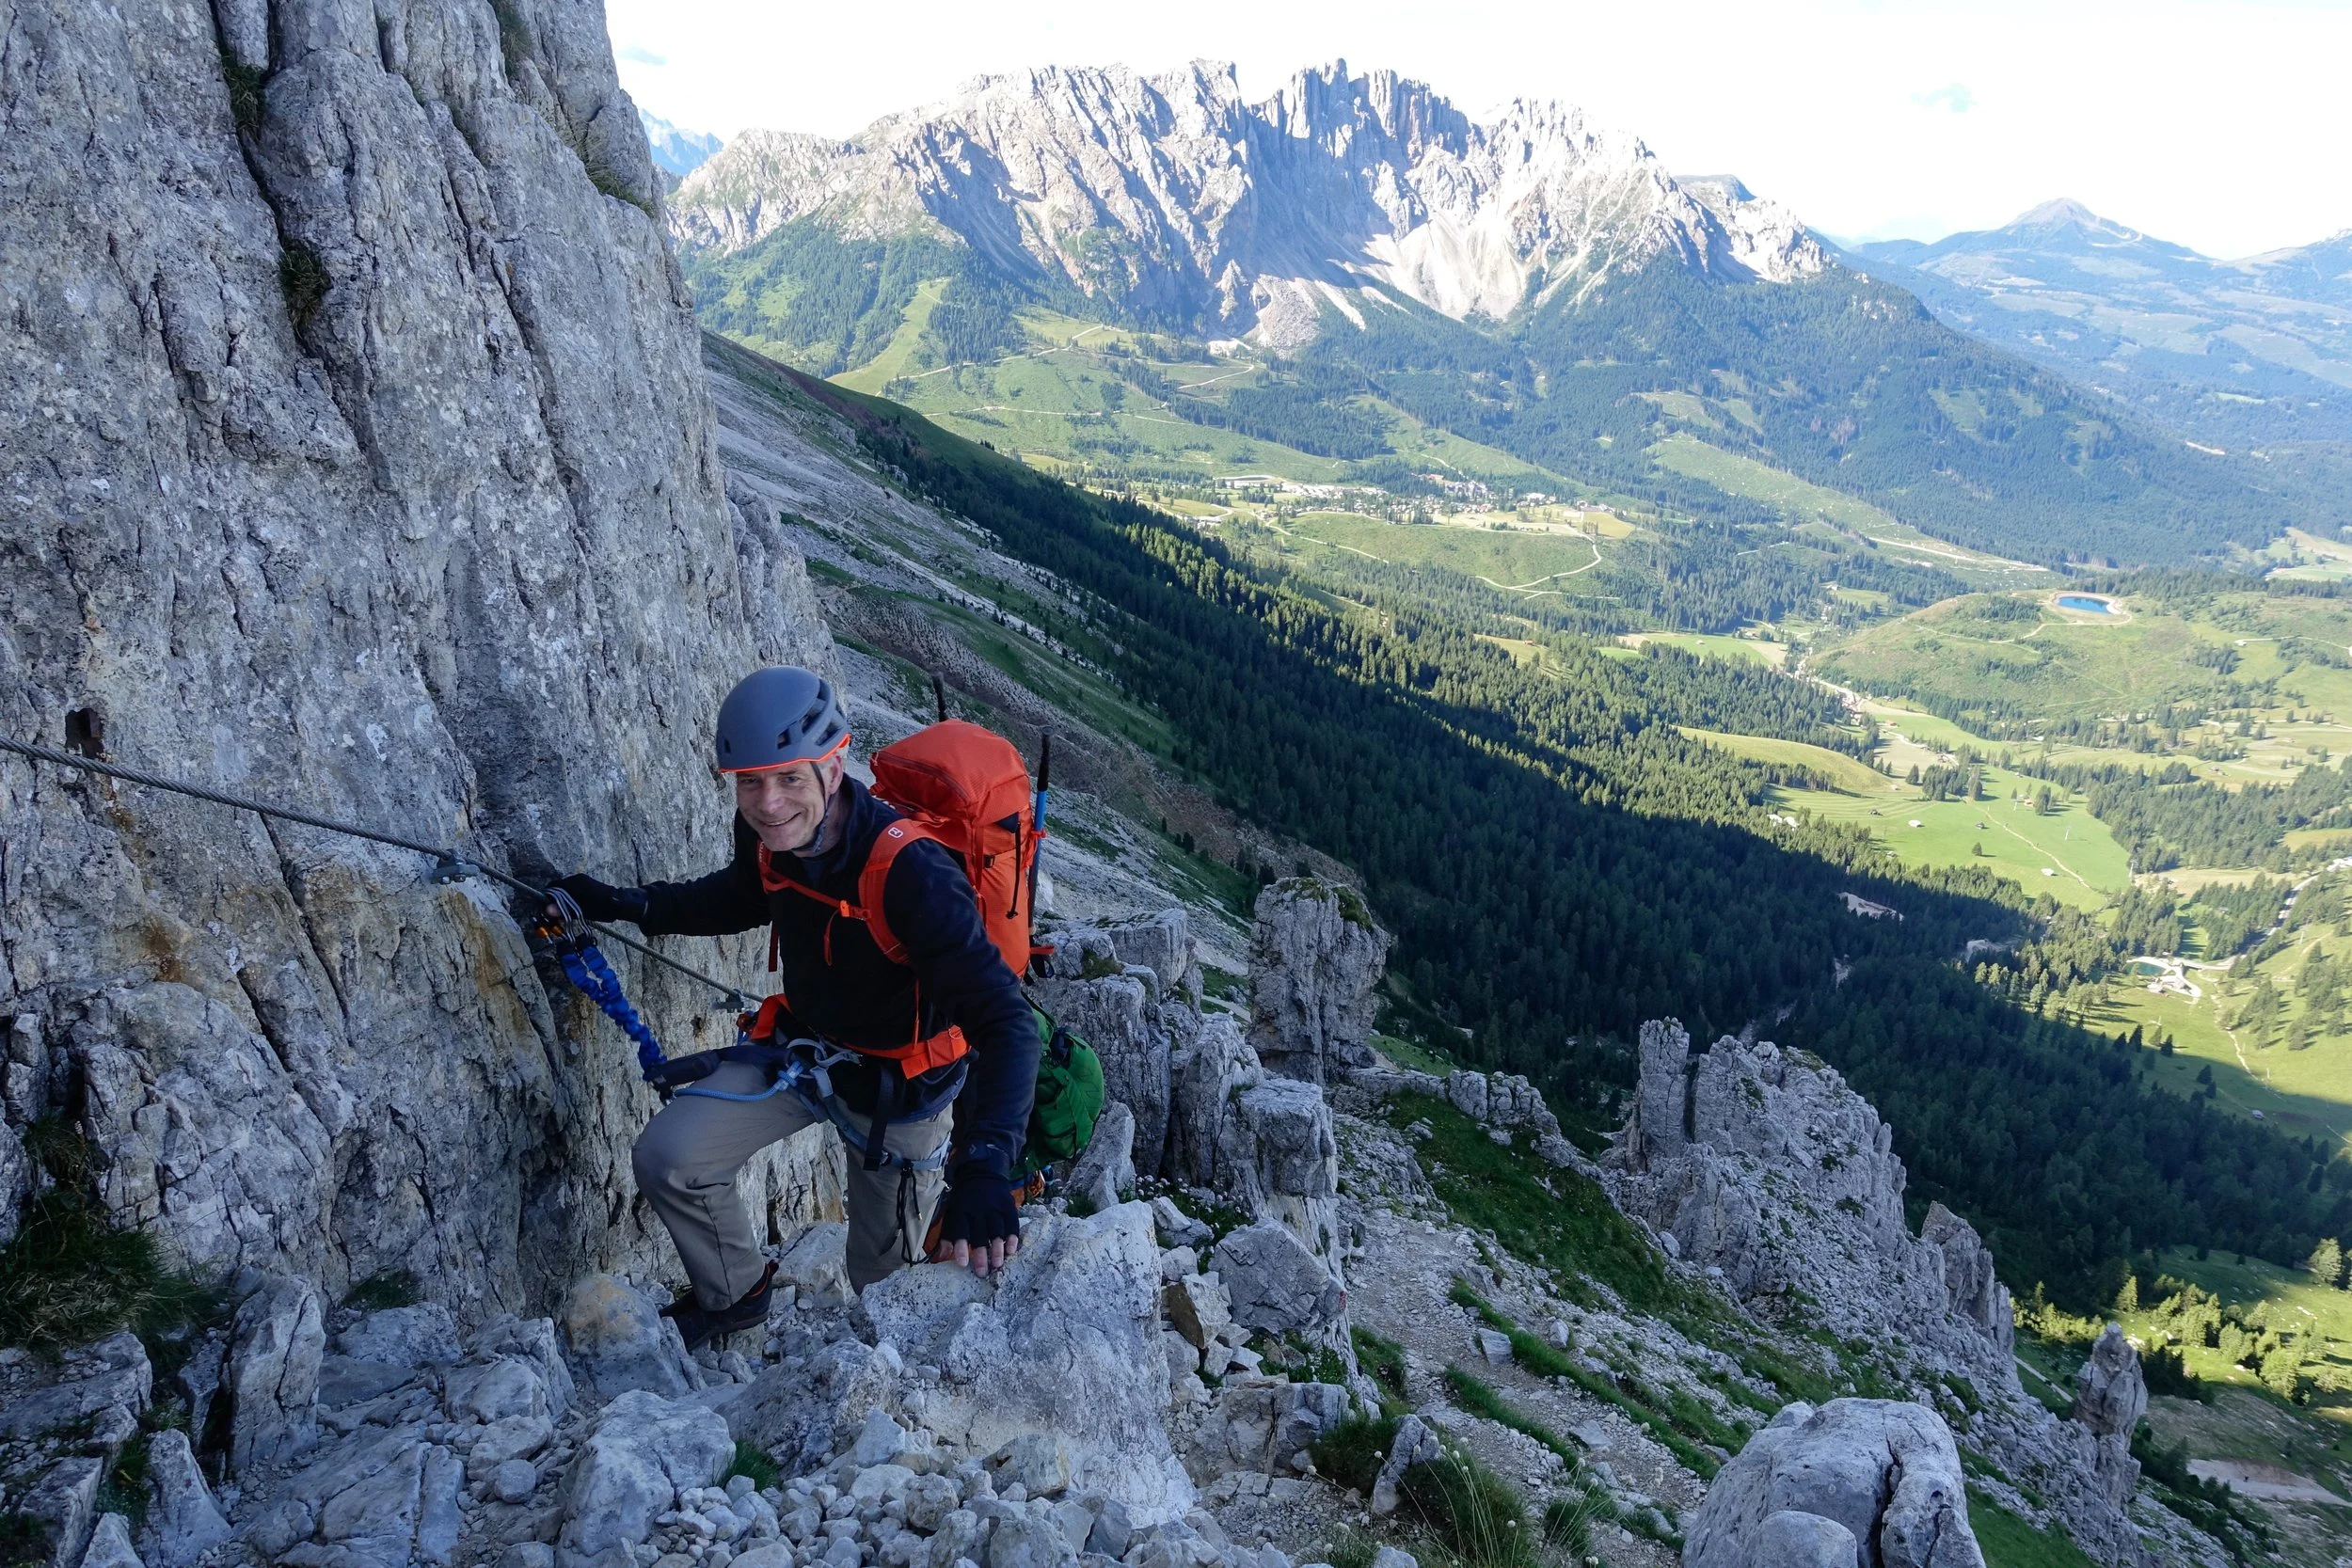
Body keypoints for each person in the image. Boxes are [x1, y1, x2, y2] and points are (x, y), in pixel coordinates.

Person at [551, 667, 1038, 1350]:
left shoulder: (912, 874)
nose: (768, 802)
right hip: (805, 1054)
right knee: (670, 1157)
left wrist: (986, 1163)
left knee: (880, 1280)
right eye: (749, 780)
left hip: (896, 1094)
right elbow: (740, 897)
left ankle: (879, 1406)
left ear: (833, 766)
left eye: (788, 778)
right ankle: (736, 1294)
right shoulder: (766, 834)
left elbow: (1007, 1023)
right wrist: (623, 904)